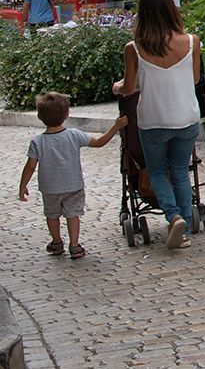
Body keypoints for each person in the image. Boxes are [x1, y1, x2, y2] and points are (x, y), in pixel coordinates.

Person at [113, 0, 203, 250]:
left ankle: (173, 215)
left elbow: (129, 88)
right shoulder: (191, 42)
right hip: (186, 116)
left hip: (153, 119)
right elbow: (194, 79)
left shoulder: (135, 48)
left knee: (157, 171)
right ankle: (183, 227)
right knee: (180, 171)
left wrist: (117, 87)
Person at [18, 92, 126, 259]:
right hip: (73, 185)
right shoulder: (73, 135)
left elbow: (30, 166)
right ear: (67, 115)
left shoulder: (37, 142)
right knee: (72, 214)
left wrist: (23, 185)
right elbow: (99, 142)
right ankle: (74, 245)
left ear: (39, 116)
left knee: (52, 215)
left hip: (50, 188)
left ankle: (56, 241)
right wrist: (115, 127)